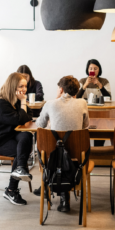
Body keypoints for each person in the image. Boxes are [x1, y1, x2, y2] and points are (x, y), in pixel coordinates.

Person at [35, 75, 89, 212]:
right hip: (76, 157)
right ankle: (65, 197)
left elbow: (39, 125)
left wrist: (56, 99)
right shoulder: (82, 103)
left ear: (61, 89)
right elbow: (85, 126)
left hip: (52, 156)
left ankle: (49, 185)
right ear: (76, 92)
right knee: (68, 151)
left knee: (53, 145)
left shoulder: (50, 104)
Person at [0, 73, 34, 206]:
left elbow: (29, 115)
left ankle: (19, 168)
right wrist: (23, 101)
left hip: (9, 134)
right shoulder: (1, 103)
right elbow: (19, 119)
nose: (24, 89)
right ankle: (11, 190)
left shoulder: (15, 100)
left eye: (25, 86)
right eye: (21, 86)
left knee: (27, 135)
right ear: (13, 87)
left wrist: (22, 104)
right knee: (21, 151)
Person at [76, 59, 111, 146]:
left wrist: (99, 85)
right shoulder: (82, 81)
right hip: (86, 112)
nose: (93, 71)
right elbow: (76, 98)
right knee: (83, 137)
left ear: (99, 70)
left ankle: (98, 154)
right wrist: (85, 85)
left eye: (95, 68)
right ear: (87, 70)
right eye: (90, 68)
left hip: (101, 113)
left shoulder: (104, 81)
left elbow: (108, 98)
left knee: (99, 137)